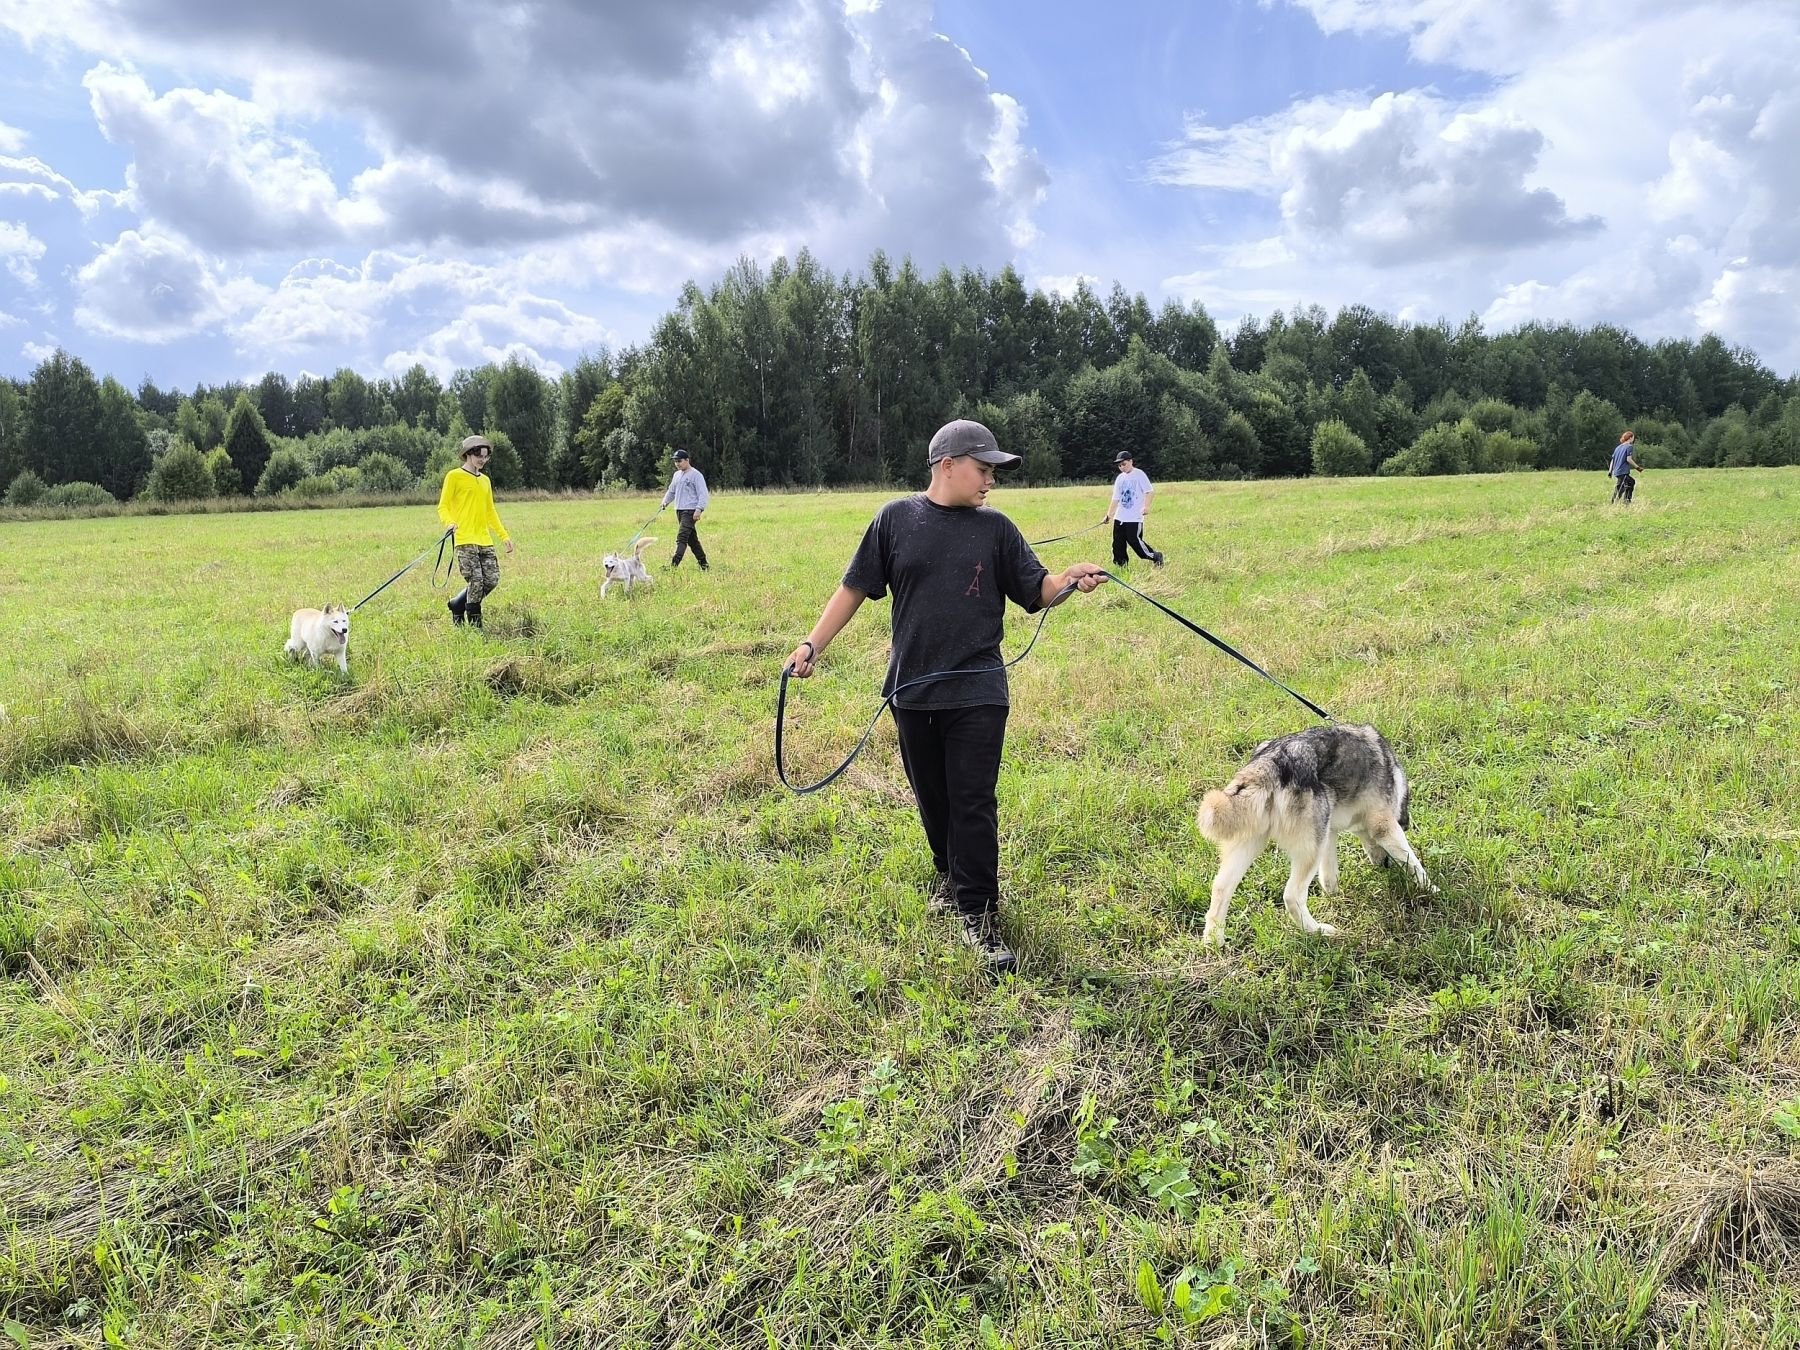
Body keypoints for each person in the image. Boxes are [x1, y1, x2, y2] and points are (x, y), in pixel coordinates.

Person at [783, 419, 1107, 973]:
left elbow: (1037, 590)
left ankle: (977, 912)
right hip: (911, 692)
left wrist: (1069, 580)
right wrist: (812, 644)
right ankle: (948, 872)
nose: (990, 482)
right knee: (933, 798)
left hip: (980, 689)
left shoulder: (997, 530)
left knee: (973, 800)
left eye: (993, 473)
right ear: (947, 465)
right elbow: (854, 587)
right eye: (983, 470)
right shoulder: (895, 520)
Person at [437, 434, 513, 629]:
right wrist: (449, 523)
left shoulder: (485, 481)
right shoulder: (454, 476)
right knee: (476, 580)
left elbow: (490, 511)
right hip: (464, 538)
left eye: (486, 456)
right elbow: (443, 506)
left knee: (492, 579)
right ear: (469, 454)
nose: (483, 460)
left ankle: (457, 604)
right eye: (479, 456)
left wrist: (504, 536)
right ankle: (475, 626)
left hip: (484, 539)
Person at [1102, 450, 1163, 566]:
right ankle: (1121, 566)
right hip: (1120, 517)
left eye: (1124, 464)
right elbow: (1115, 499)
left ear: (1131, 461)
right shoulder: (1120, 479)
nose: (1122, 467)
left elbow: (1149, 492)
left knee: (1135, 542)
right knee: (1117, 544)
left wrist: (1146, 507)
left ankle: (1155, 556)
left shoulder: (1139, 475)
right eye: (1119, 465)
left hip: (1134, 518)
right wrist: (1109, 515)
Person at [661, 449, 710, 569]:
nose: (677, 464)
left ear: (687, 460)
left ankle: (673, 566)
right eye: (675, 461)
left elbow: (703, 494)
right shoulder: (676, 475)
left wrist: (699, 509)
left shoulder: (696, 475)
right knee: (692, 540)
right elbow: (671, 491)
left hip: (690, 511)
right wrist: (665, 501)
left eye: (679, 461)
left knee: (682, 538)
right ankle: (704, 564)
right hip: (679, 510)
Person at [1609, 431, 1643, 504]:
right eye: (1633, 438)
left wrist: (1610, 471)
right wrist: (1638, 468)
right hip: (1623, 471)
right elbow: (1628, 459)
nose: (1633, 440)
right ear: (1630, 438)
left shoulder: (1618, 447)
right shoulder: (1629, 446)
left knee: (1628, 483)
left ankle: (1624, 500)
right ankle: (1622, 501)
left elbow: (1613, 460)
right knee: (1621, 487)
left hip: (1617, 471)